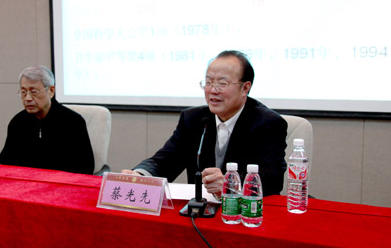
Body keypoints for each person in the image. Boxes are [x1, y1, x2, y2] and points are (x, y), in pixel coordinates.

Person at [122, 50, 287, 196]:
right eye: (208, 82)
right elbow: (166, 160)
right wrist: (141, 175)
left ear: (245, 88)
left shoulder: (268, 123)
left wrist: (230, 184)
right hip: (201, 210)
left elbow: (272, 179)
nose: (213, 90)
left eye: (222, 83)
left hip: (246, 211)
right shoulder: (194, 119)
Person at [0, 65, 94, 175]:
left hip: (60, 183)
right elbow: (7, 164)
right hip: (25, 182)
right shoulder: (18, 122)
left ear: (51, 91)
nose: (28, 98)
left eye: (34, 92)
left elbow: (85, 168)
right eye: (23, 92)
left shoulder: (73, 122)